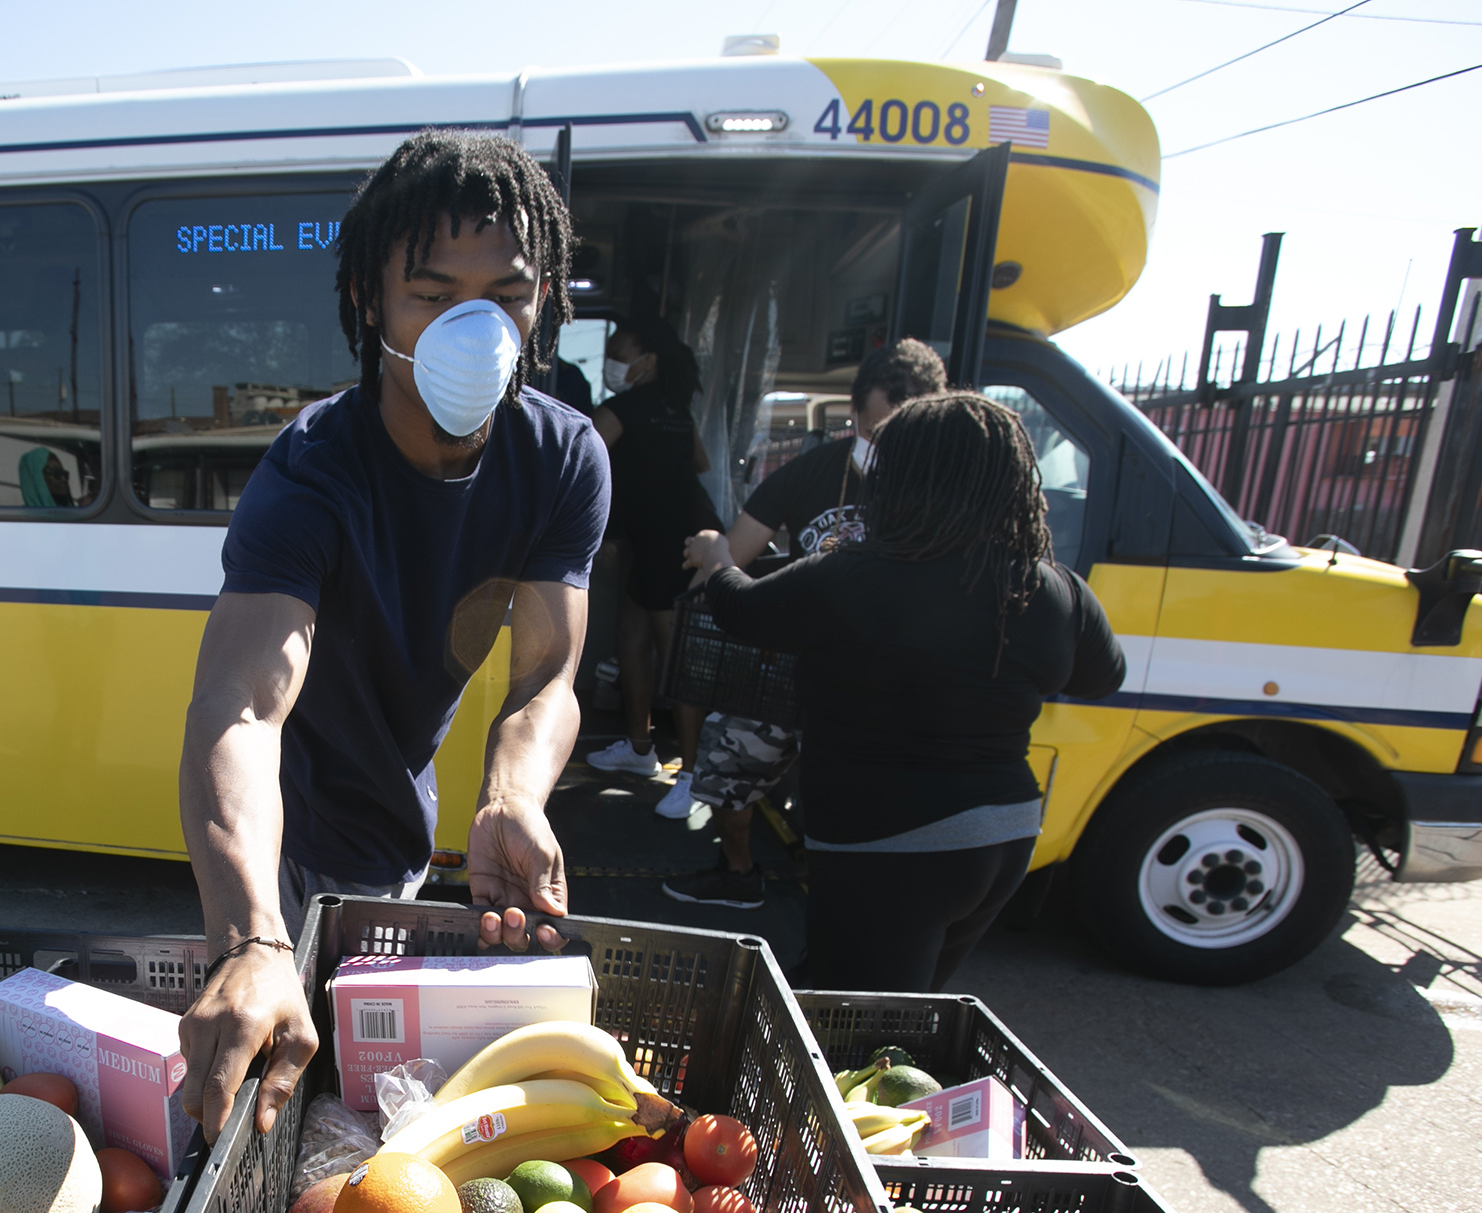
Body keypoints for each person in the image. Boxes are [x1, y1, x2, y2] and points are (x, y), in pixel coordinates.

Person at [175, 130, 611, 1140]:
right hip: (274, 832)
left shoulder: (561, 457)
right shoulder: (312, 469)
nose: (475, 326)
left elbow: (545, 669)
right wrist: (248, 933)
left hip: (397, 821)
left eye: (505, 293)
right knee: (269, 1048)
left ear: (543, 298)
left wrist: (510, 795)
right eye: (430, 292)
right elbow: (242, 704)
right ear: (372, 302)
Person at [679, 390, 1125, 990]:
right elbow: (1103, 677)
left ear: (901, 478)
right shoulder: (1052, 589)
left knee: (858, 1035)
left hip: (886, 844)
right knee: (905, 1015)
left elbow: (741, 611)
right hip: (1005, 836)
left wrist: (716, 558)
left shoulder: (853, 575)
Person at [662, 337, 949, 908]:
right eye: (870, 430)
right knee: (727, 762)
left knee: (851, 802)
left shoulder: (945, 493)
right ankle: (738, 872)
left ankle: (846, 904)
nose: (878, 445)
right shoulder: (813, 473)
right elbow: (736, 553)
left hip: (878, 684)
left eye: (896, 433)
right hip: (790, 667)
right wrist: (709, 557)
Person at [579, 316, 723, 818]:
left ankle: (694, 775)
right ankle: (640, 749)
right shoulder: (676, 411)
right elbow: (700, 463)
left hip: (670, 545)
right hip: (661, 536)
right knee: (631, 639)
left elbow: (576, 456)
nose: (613, 361)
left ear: (648, 361)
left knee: (675, 659)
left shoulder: (618, 409)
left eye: (620, 352)